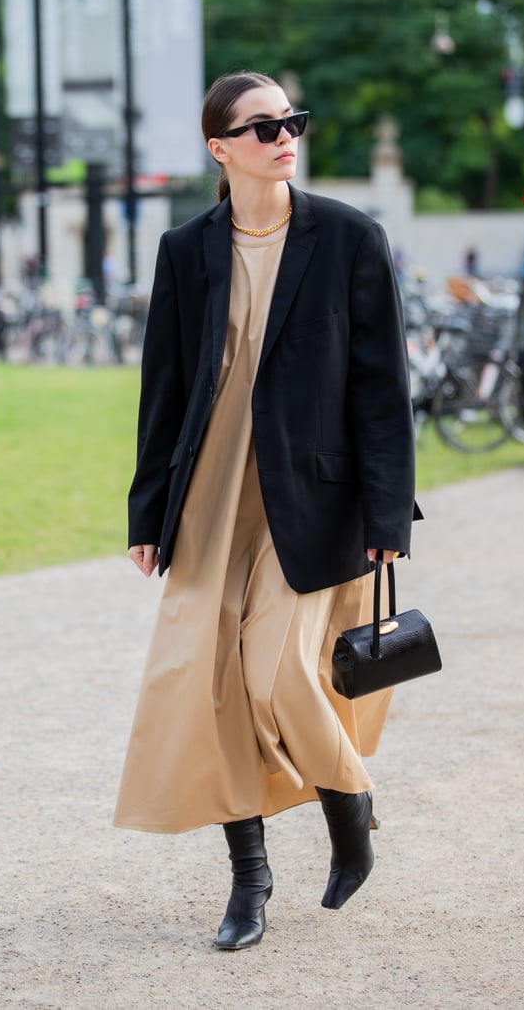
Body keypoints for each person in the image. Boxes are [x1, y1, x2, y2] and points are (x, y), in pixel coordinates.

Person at [114, 72, 419, 950]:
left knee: (278, 671)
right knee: (214, 687)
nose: (286, 135)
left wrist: (387, 518)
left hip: (316, 497)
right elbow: (163, 390)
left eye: (293, 121)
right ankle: (249, 881)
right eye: (263, 126)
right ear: (220, 148)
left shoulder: (352, 238)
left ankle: (347, 805)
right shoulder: (187, 250)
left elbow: (382, 389)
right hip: (210, 491)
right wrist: (147, 510)